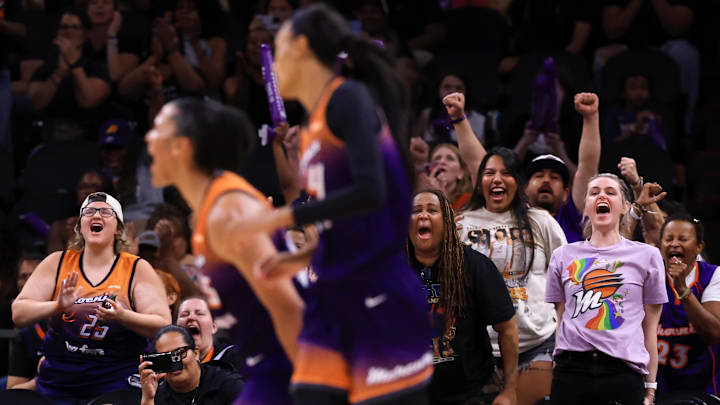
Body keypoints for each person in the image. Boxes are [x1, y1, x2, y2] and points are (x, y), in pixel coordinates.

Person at [236, 4, 434, 404]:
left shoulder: (349, 98)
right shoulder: (315, 119)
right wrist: (301, 251)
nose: (271, 62)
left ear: (304, 49)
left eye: (280, 48)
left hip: (377, 293)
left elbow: (370, 192)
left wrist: (286, 215)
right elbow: (341, 217)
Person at [145, 97, 304, 405]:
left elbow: (290, 306)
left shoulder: (229, 211)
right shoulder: (208, 210)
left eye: (160, 131)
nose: (149, 137)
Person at [11, 191, 171, 404]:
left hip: (115, 381)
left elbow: (162, 323)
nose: (96, 216)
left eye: (105, 212)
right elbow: (19, 313)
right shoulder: (57, 262)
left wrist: (123, 315)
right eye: (89, 212)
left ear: (118, 229)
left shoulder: (136, 268)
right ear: (79, 227)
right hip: (58, 383)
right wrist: (56, 305)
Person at [457, 147, 567, 405]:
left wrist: (563, 334)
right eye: (489, 173)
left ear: (518, 182)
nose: (497, 179)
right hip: (479, 348)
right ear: (479, 181)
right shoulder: (461, 224)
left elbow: (566, 280)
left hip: (538, 343)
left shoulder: (541, 221)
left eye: (505, 173)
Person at [545, 173, 667, 405]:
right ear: (586, 207)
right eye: (594, 192)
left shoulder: (647, 256)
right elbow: (561, 320)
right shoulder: (562, 255)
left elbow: (650, 329)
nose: (602, 195)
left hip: (622, 373)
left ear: (625, 207)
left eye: (610, 192)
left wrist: (650, 389)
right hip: (571, 372)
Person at [408, 189, 518, 404]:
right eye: (416, 211)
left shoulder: (475, 265)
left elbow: (507, 329)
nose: (423, 215)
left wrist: (510, 389)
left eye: (432, 210)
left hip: (473, 391)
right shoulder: (392, 271)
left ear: (448, 221)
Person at [524, 93, 601, 243]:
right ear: (524, 189)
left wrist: (590, 117)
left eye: (554, 178)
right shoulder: (514, 220)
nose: (546, 180)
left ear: (566, 193)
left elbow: (587, 167)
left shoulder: (572, 217)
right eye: (539, 176)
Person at [657, 215, 720, 397]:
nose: (674, 244)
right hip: (659, 390)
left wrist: (682, 289)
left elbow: (713, 333)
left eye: (682, 239)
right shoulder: (651, 275)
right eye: (669, 239)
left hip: (703, 391)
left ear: (699, 247)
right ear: (660, 245)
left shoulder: (714, 276)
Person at [28, 7, 111, 140]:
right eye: (64, 27)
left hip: (88, 137)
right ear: (57, 33)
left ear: (86, 34)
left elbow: (88, 100)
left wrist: (74, 63)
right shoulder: (46, 68)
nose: (68, 31)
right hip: (49, 136)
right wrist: (59, 73)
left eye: (75, 27)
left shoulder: (97, 67)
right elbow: (36, 103)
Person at [139, 325, 244, 405]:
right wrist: (148, 399)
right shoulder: (156, 396)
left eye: (180, 353)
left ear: (196, 353)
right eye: (166, 357)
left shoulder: (227, 384)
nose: (175, 361)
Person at [7, 252, 46, 391]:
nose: (29, 281)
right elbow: (12, 389)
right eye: (23, 276)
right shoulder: (26, 334)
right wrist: (45, 379)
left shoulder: (74, 319)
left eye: (35, 275)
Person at [414, 73, 486, 146]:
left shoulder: (479, 120)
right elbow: (415, 145)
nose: (453, 91)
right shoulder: (426, 115)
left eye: (459, 88)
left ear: (466, 92)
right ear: (438, 90)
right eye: (447, 87)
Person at [175, 296, 244, 373]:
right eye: (184, 315)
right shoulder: (166, 365)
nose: (191, 317)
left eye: (200, 313)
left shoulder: (234, 361)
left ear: (213, 327)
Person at [47, 170, 109, 253]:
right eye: (83, 187)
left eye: (95, 187)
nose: (88, 191)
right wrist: (73, 239)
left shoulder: (118, 224)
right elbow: (54, 262)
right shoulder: (60, 227)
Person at [411, 141, 473, 211]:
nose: (442, 162)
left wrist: (442, 199)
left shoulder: (469, 201)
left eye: (450, 158)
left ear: (461, 173)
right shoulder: (419, 196)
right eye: (437, 158)